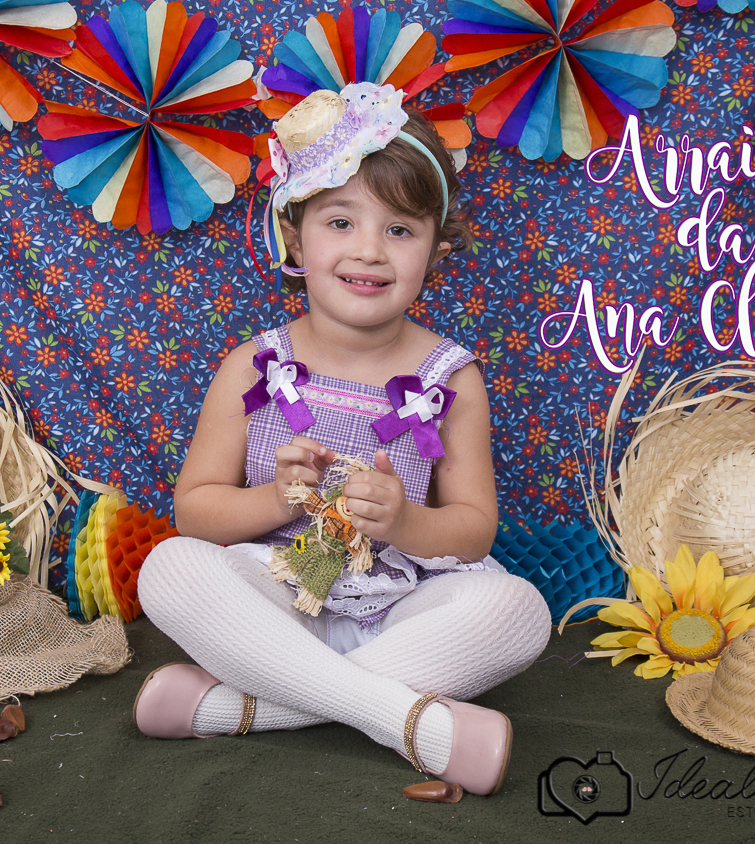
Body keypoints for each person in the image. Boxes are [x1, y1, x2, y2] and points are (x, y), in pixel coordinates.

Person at [135, 82, 550, 797]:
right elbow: (195, 511)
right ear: (295, 236)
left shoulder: (452, 378)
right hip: (275, 598)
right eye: (340, 221)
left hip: (401, 609)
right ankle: (400, 716)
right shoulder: (254, 365)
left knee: (520, 612)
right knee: (168, 567)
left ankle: (249, 705)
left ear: (435, 248)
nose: (369, 251)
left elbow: (476, 530)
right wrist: (275, 495)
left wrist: (407, 519)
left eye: (400, 229)